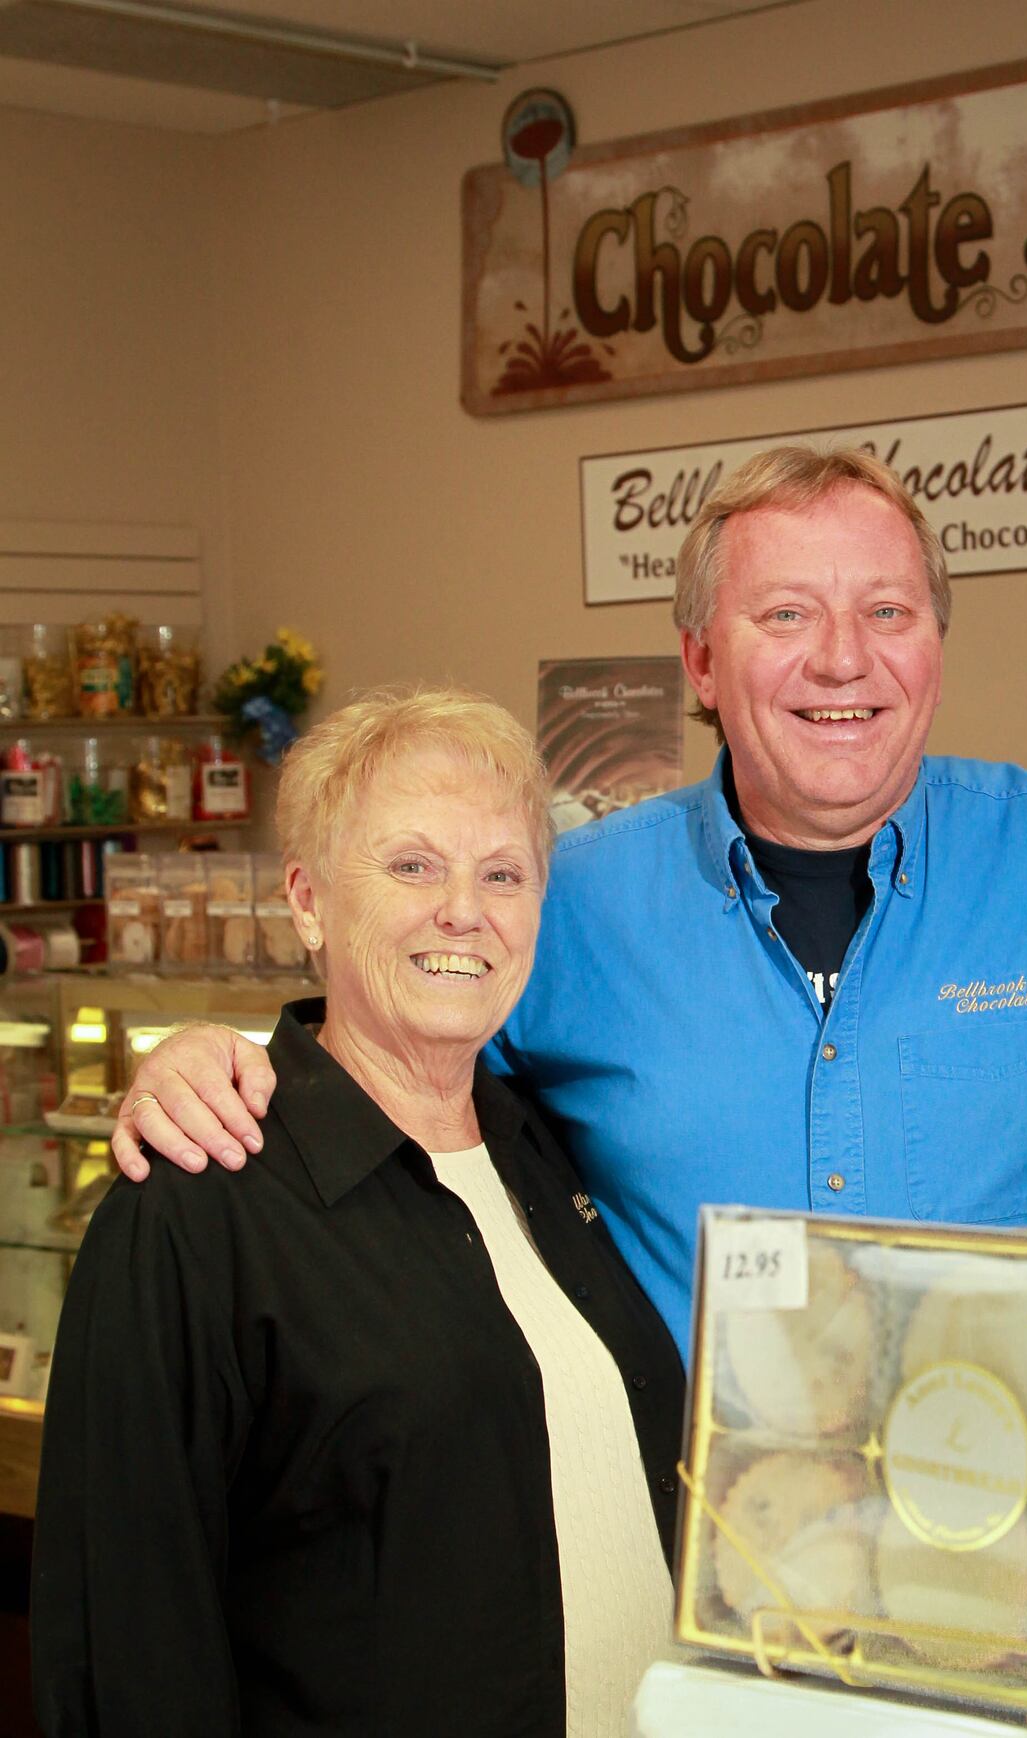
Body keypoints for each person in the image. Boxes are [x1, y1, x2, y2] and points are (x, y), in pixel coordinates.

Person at [108, 449, 1027, 1353]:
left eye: (886, 613)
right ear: (700, 662)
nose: (845, 660)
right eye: (786, 616)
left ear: (935, 644)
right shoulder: (574, 901)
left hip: (1018, 1562)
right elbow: (399, 1035)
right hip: (689, 1573)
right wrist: (231, 1054)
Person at [32, 690, 683, 1737]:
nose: (461, 910)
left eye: (502, 873)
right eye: (412, 865)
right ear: (307, 901)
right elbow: (126, 1644)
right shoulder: (199, 1204)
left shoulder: (543, 1155)